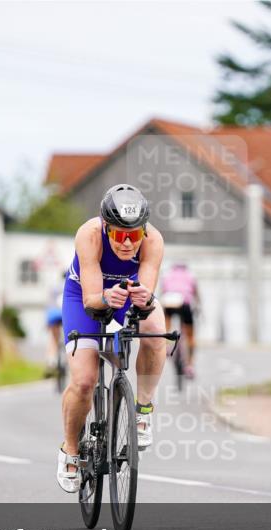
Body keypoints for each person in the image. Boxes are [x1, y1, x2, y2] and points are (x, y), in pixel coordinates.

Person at [57, 184, 167, 493]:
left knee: (157, 334)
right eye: (120, 235)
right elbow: (93, 301)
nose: (128, 243)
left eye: (135, 235)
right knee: (83, 381)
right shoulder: (89, 235)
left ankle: (143, 409)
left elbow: (145, 302)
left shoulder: (153, 241)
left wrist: (145, 300)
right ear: (106, 228)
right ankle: (70, 449)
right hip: (85, 297)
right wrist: (106, 296)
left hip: (127, 295)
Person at [159, 262, 199, 378]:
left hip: (169, 302)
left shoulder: (168, 274)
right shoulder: (191, 275)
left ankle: (165, 346)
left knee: (166, 323)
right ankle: (190, 365)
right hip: (185, 303)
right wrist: (198, 307)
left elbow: (163, 292)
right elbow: (196, 294)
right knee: (190, 335)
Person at [43, 270, 68, 378]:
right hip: (66, 313)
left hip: (54, 315)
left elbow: (49, 305)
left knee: (53, 338)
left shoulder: (54, 288)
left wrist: (47, 323)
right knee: (69, 338)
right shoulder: (71, 286)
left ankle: (51, 361)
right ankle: (67, 360)